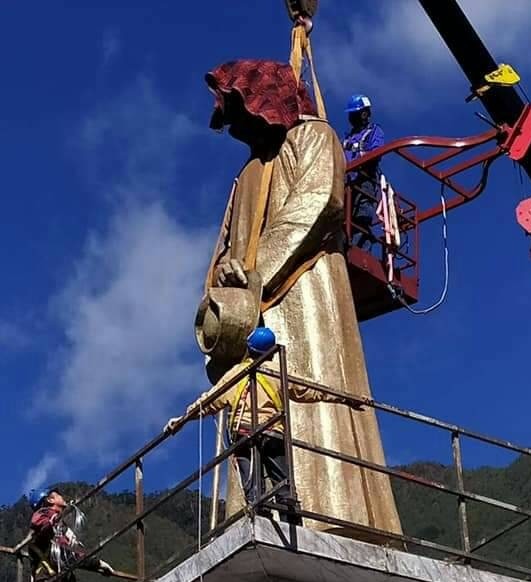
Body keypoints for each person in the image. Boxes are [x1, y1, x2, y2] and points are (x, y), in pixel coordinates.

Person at [196, 59, 402, 541]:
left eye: (239, 113)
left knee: (316, 385)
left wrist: (254, 272)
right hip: (254, 308)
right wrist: (223, 291)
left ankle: (333, 505)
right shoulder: (245, 177)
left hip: (307, 289)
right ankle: (257, 508)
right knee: (255, 408)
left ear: (263, 102)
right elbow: (223, 249)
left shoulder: (314, 137)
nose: (236, 128)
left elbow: (318, 202)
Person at [166, 327, 365, 515]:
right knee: (283, 484)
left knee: (253, 488)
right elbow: (312, 390)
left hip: (243, 433)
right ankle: (291, 521)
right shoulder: (279, 371)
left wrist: (181, 421)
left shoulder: (236, 373)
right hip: (273, 431)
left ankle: (260, 516)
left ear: (249, 349)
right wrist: (347, 399)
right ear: (271, 351)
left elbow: (208, 401)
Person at [28, 488, 114, 582]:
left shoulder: (62, 530)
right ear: (50, 500)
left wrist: (98, 564)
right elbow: (37, 522)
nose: (63, 497)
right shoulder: (44, 518)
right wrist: (54, 518)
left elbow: (74, 554)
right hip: (48, 581)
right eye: (58, 495)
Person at [343, 94, 385, 248]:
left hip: (364, 181)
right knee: (342, 218)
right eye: (351, 114)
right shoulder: (348, 138)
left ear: (365, 113)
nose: (352, 117)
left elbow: (377, 153)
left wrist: (362, 156)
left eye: (355, 113)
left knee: (361, 218)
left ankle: (359, 248)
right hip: (347, 183)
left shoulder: (374, 131)